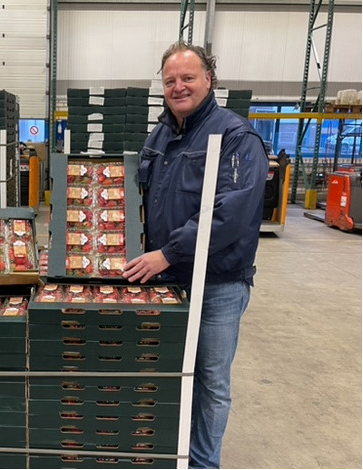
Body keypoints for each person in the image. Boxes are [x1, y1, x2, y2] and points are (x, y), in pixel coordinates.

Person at [122, 41, 268, 468]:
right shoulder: (160, 135)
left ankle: (203, 464)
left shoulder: (237, 136)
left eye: (188, 77)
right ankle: (168, 454)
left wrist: (167, 253)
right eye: (170, 80)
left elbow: (230, 215)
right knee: (166, 373)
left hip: (217, 284)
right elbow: (138, 201)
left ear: (209, 79)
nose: (178, 87)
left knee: (211, 382)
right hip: (164, 281)